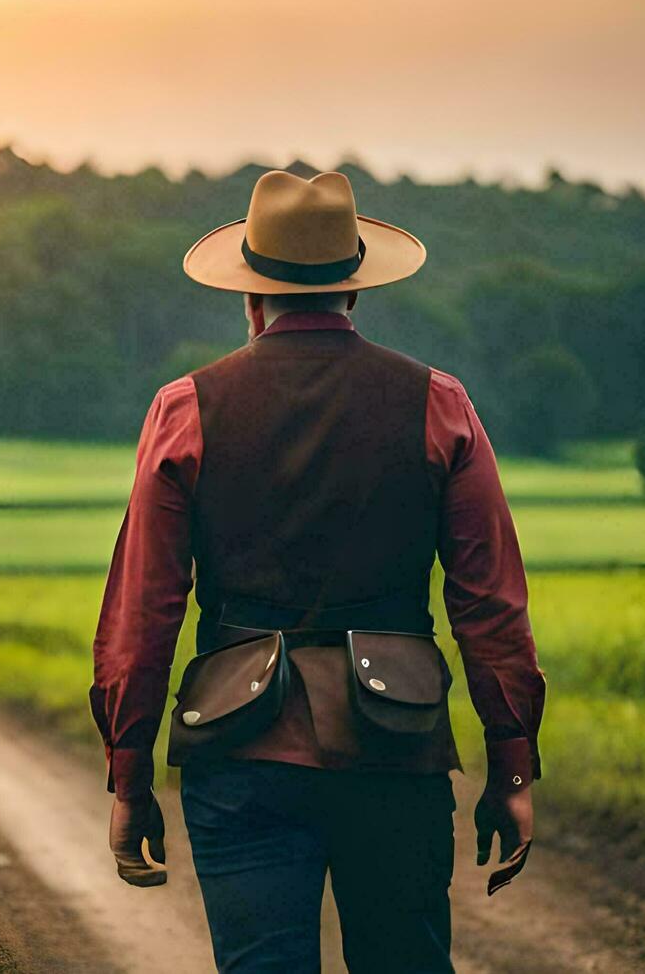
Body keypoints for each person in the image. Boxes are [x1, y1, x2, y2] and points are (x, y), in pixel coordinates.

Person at [89, 169, 546, 972]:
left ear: (250, 297)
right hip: (396, 750)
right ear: (356, 290)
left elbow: (144, 612)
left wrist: (129, 777)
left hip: (240, 753)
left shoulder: (184, 408)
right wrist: (511, 763)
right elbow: (490, 606)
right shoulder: (439, 403)